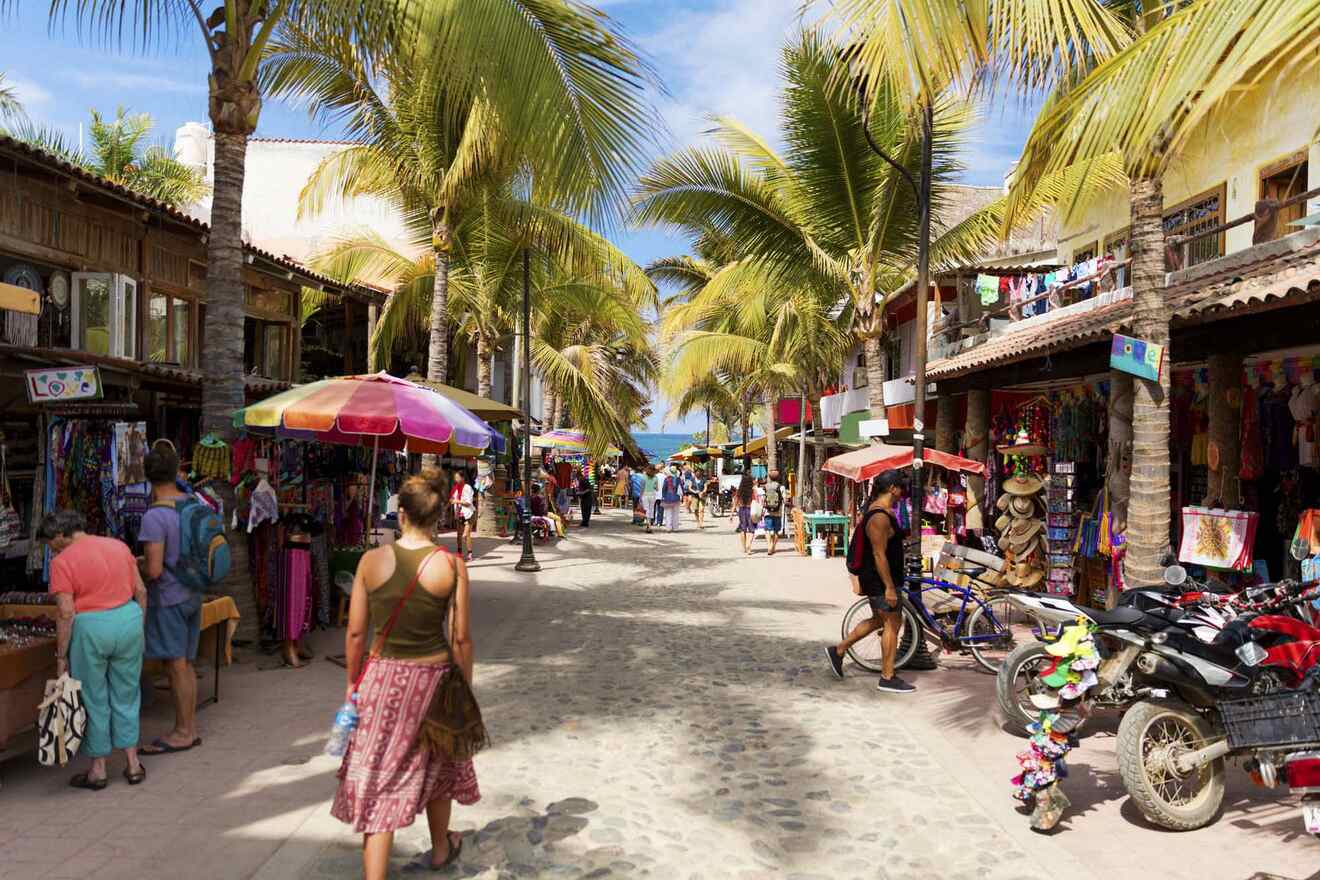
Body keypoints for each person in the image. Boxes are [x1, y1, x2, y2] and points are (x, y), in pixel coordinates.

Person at [334, 471, 480, 878]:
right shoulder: (451, 566)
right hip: (434, 680)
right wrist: (463, 687)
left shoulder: (371, 561)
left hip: (382, 680)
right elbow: (461, 638)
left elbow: (357, 632)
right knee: (439, 764)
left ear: (401, 515)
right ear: (439, 519)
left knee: (382, 777)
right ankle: (439, 848)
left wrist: (351, 682)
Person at [42, 511, 147, 789]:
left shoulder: (62, 561)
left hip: (91, 630)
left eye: (50, 542)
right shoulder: (118, 545)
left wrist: (61, 656)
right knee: (127, 694)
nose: (49, 548)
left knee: (94, 698)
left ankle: (99, 770)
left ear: (62, 535)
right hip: (128, 620)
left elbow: (66, 612)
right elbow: (141, 591)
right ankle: (133, 764)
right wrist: (139, 624)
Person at [825, 469, 917, 694]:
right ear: (893, 488)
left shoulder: (885, 512)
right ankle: (887, 677)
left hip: (883, 578)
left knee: (879, 621)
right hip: (880, 580)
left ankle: (838, 651)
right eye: (901, 487)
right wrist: (889, 588)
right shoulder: (878, 517)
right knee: (892, 624)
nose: (902, 492)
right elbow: (879, 555)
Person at [138, 446, 203, 755]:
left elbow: (153, 568)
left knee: (175, 666)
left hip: (169, 597)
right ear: (177, 471)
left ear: (147, 476)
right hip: (193, 592)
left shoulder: (155, 516)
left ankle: (182, 732)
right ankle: (189, 727)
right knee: (186, 664)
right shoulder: (191, 503)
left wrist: (133, 564)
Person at [450, 470, 475, 561]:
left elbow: (468, 503)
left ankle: (469, 553)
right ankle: (459, 552)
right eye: (455, 477)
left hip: (468, 513)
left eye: (457, 477)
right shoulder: (455, 488)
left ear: (463, 478)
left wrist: (457, 501)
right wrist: (452, 500)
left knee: (465, 535)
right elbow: (452, 499)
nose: (455, 479)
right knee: (459, 535)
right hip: (459, 513)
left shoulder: (467, 487)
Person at [763, 469, 785, 556]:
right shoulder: (781, 487)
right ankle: (773, 546)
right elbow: (784, 499)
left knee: (767, 530)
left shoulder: (766, 486)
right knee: (776, 531)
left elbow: (763, 499)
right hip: (778, 512)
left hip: (768, 512)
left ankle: (769, 546)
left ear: (770, 477)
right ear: (778, 477)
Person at [734, 473, 756, 556]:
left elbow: (735, 502)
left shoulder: (739, 490)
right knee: (751, 529)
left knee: (743, 529)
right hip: (750, 510)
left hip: (742, 510)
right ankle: (748, 546)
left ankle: (744, 548)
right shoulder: (752, 490)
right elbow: (756, 500)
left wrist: (732, 514)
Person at [660, 466, 683, 532]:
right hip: (676, 498)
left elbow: (664, 489)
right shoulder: (679, 479)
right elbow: (682, 489)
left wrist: (663, 496)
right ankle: (675, 528)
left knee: (668, 513)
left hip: (668, 498)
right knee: (676, 514)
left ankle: (668, 528)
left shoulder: (667, 479)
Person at [640, 466, 659, 532]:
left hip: (645, 495)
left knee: (646, 510)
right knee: (651, 510)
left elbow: (642, 488)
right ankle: (649, 525)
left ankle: (648, 525)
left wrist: (640, 497)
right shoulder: (655, 478)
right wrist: (653, 486)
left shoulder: (643, 477)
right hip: (652, 495)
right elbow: (657, 488)